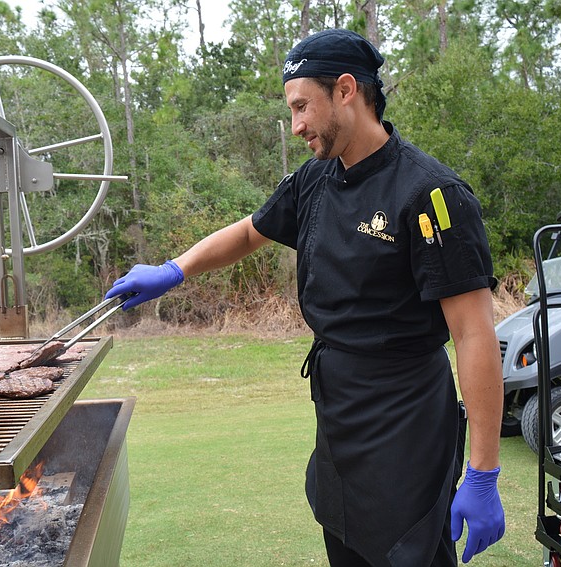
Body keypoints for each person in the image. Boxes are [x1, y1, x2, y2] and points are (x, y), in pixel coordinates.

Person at [105, 29, 505, 566]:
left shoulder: (430, 194)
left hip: (406, 423)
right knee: (345, 546)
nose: (296, 127)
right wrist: (174, 271)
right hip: (338, 418)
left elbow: (474, 334)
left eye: (301, 108)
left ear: (346, 90)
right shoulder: (315, 180)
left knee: (407, 553)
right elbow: (250, 231)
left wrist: (483, 473)